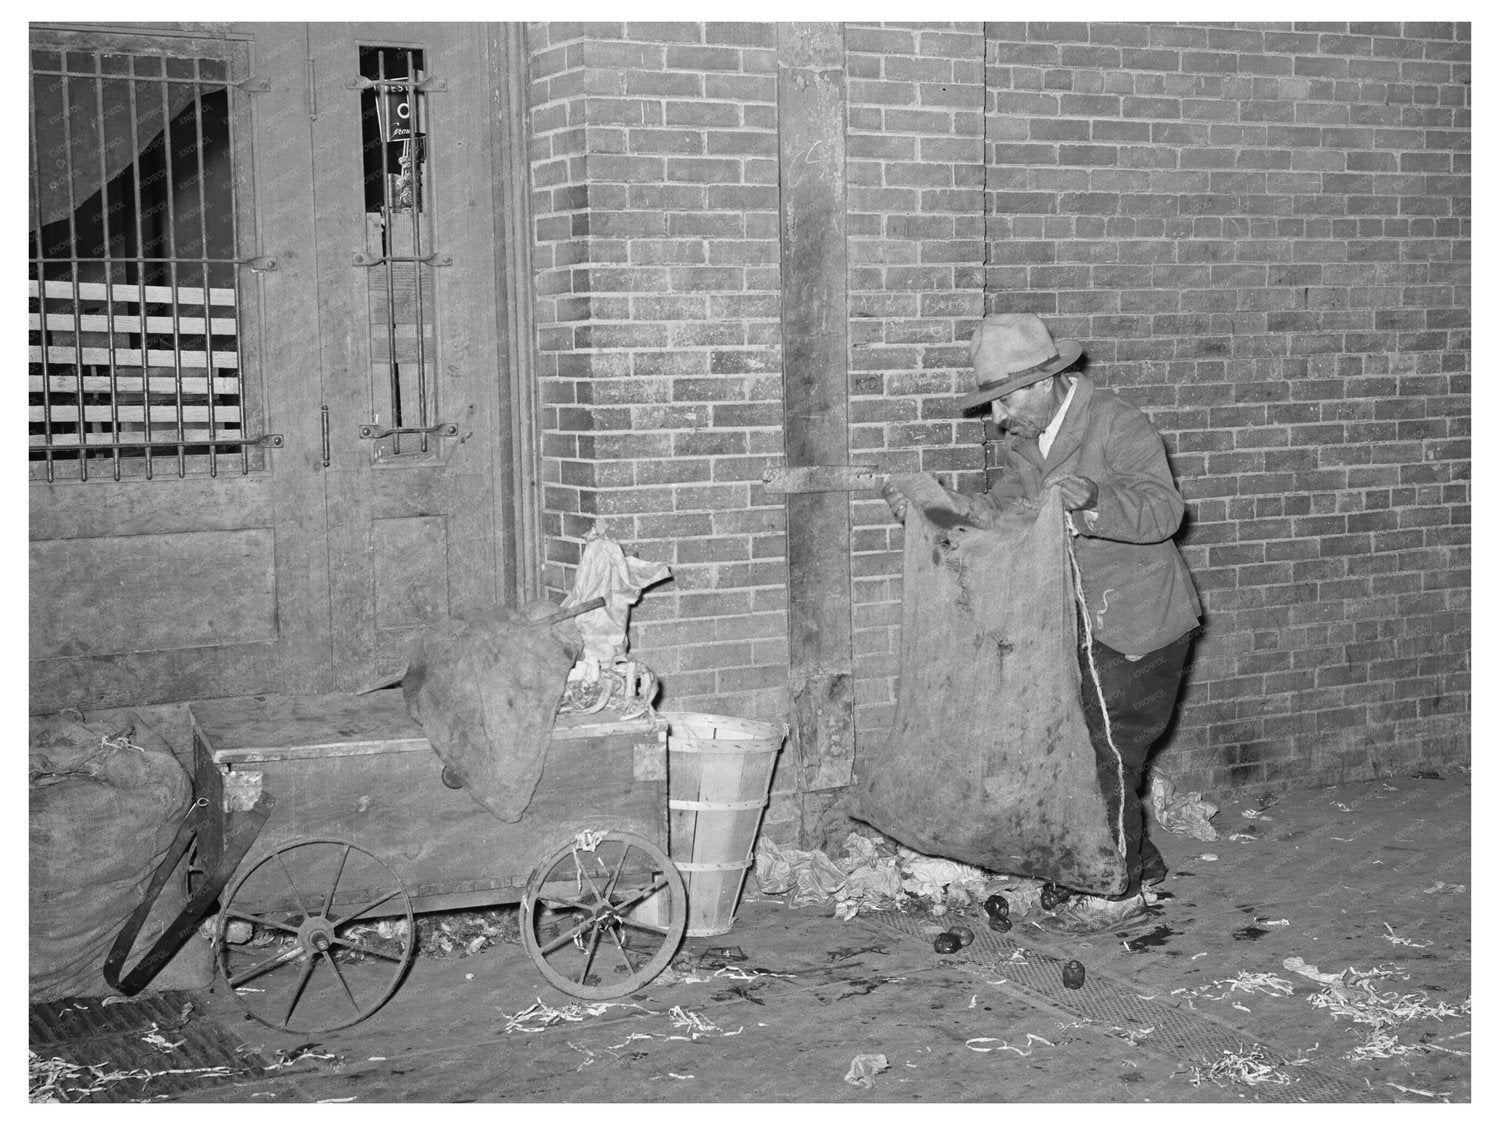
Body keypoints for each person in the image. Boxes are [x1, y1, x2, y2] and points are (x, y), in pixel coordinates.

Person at [882, 312, 1201, 934]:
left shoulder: (1117, 423)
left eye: (1001, 401)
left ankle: (1118, 889)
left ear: (1040, 381)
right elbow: (1003, 510)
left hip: (1138, 621)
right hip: (1075, 620)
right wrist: (935, 510)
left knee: (1106, 753)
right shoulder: (1030, 442)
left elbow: (1165, 511)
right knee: (1077, 748)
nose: (998, 419)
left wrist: (1096, 504)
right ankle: (1135, 859)